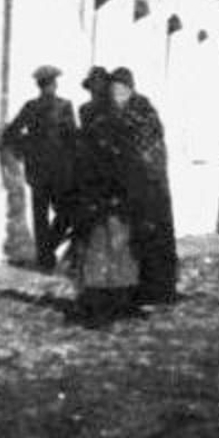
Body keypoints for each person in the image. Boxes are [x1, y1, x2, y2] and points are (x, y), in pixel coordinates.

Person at [58, 75, 140, 326]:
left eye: (96, 92)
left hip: (107, 200)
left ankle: (105, 305)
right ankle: (104, 303)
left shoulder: (109, 124)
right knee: (103, 253)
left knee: (107, 253)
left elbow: (118, 163)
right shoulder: (98, 123)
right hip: (99, 199)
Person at [107, 67, 180, 305]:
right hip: (132, 185)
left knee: (151, 238)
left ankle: (155, 291)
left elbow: (144, 148)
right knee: (135, 239)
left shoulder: (142, 112)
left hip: (150, 186)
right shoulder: (118, 112)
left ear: (129, 89)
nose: (114, 94)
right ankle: (134, 290)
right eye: (112, 89)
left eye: (118, 89)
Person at [0, 64, 78, 272]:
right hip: (47, 170)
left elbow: (72, 138)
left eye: (49, 84)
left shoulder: (59, 106)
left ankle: (46, 252)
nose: (48, 88)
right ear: (45, 85)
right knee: (49, 215)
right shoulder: (39, 106)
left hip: (52, 169)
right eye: (46, 84)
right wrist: (27, 147)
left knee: (62, 213)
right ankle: (45, 257)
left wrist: (25, 147)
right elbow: (10, 133)